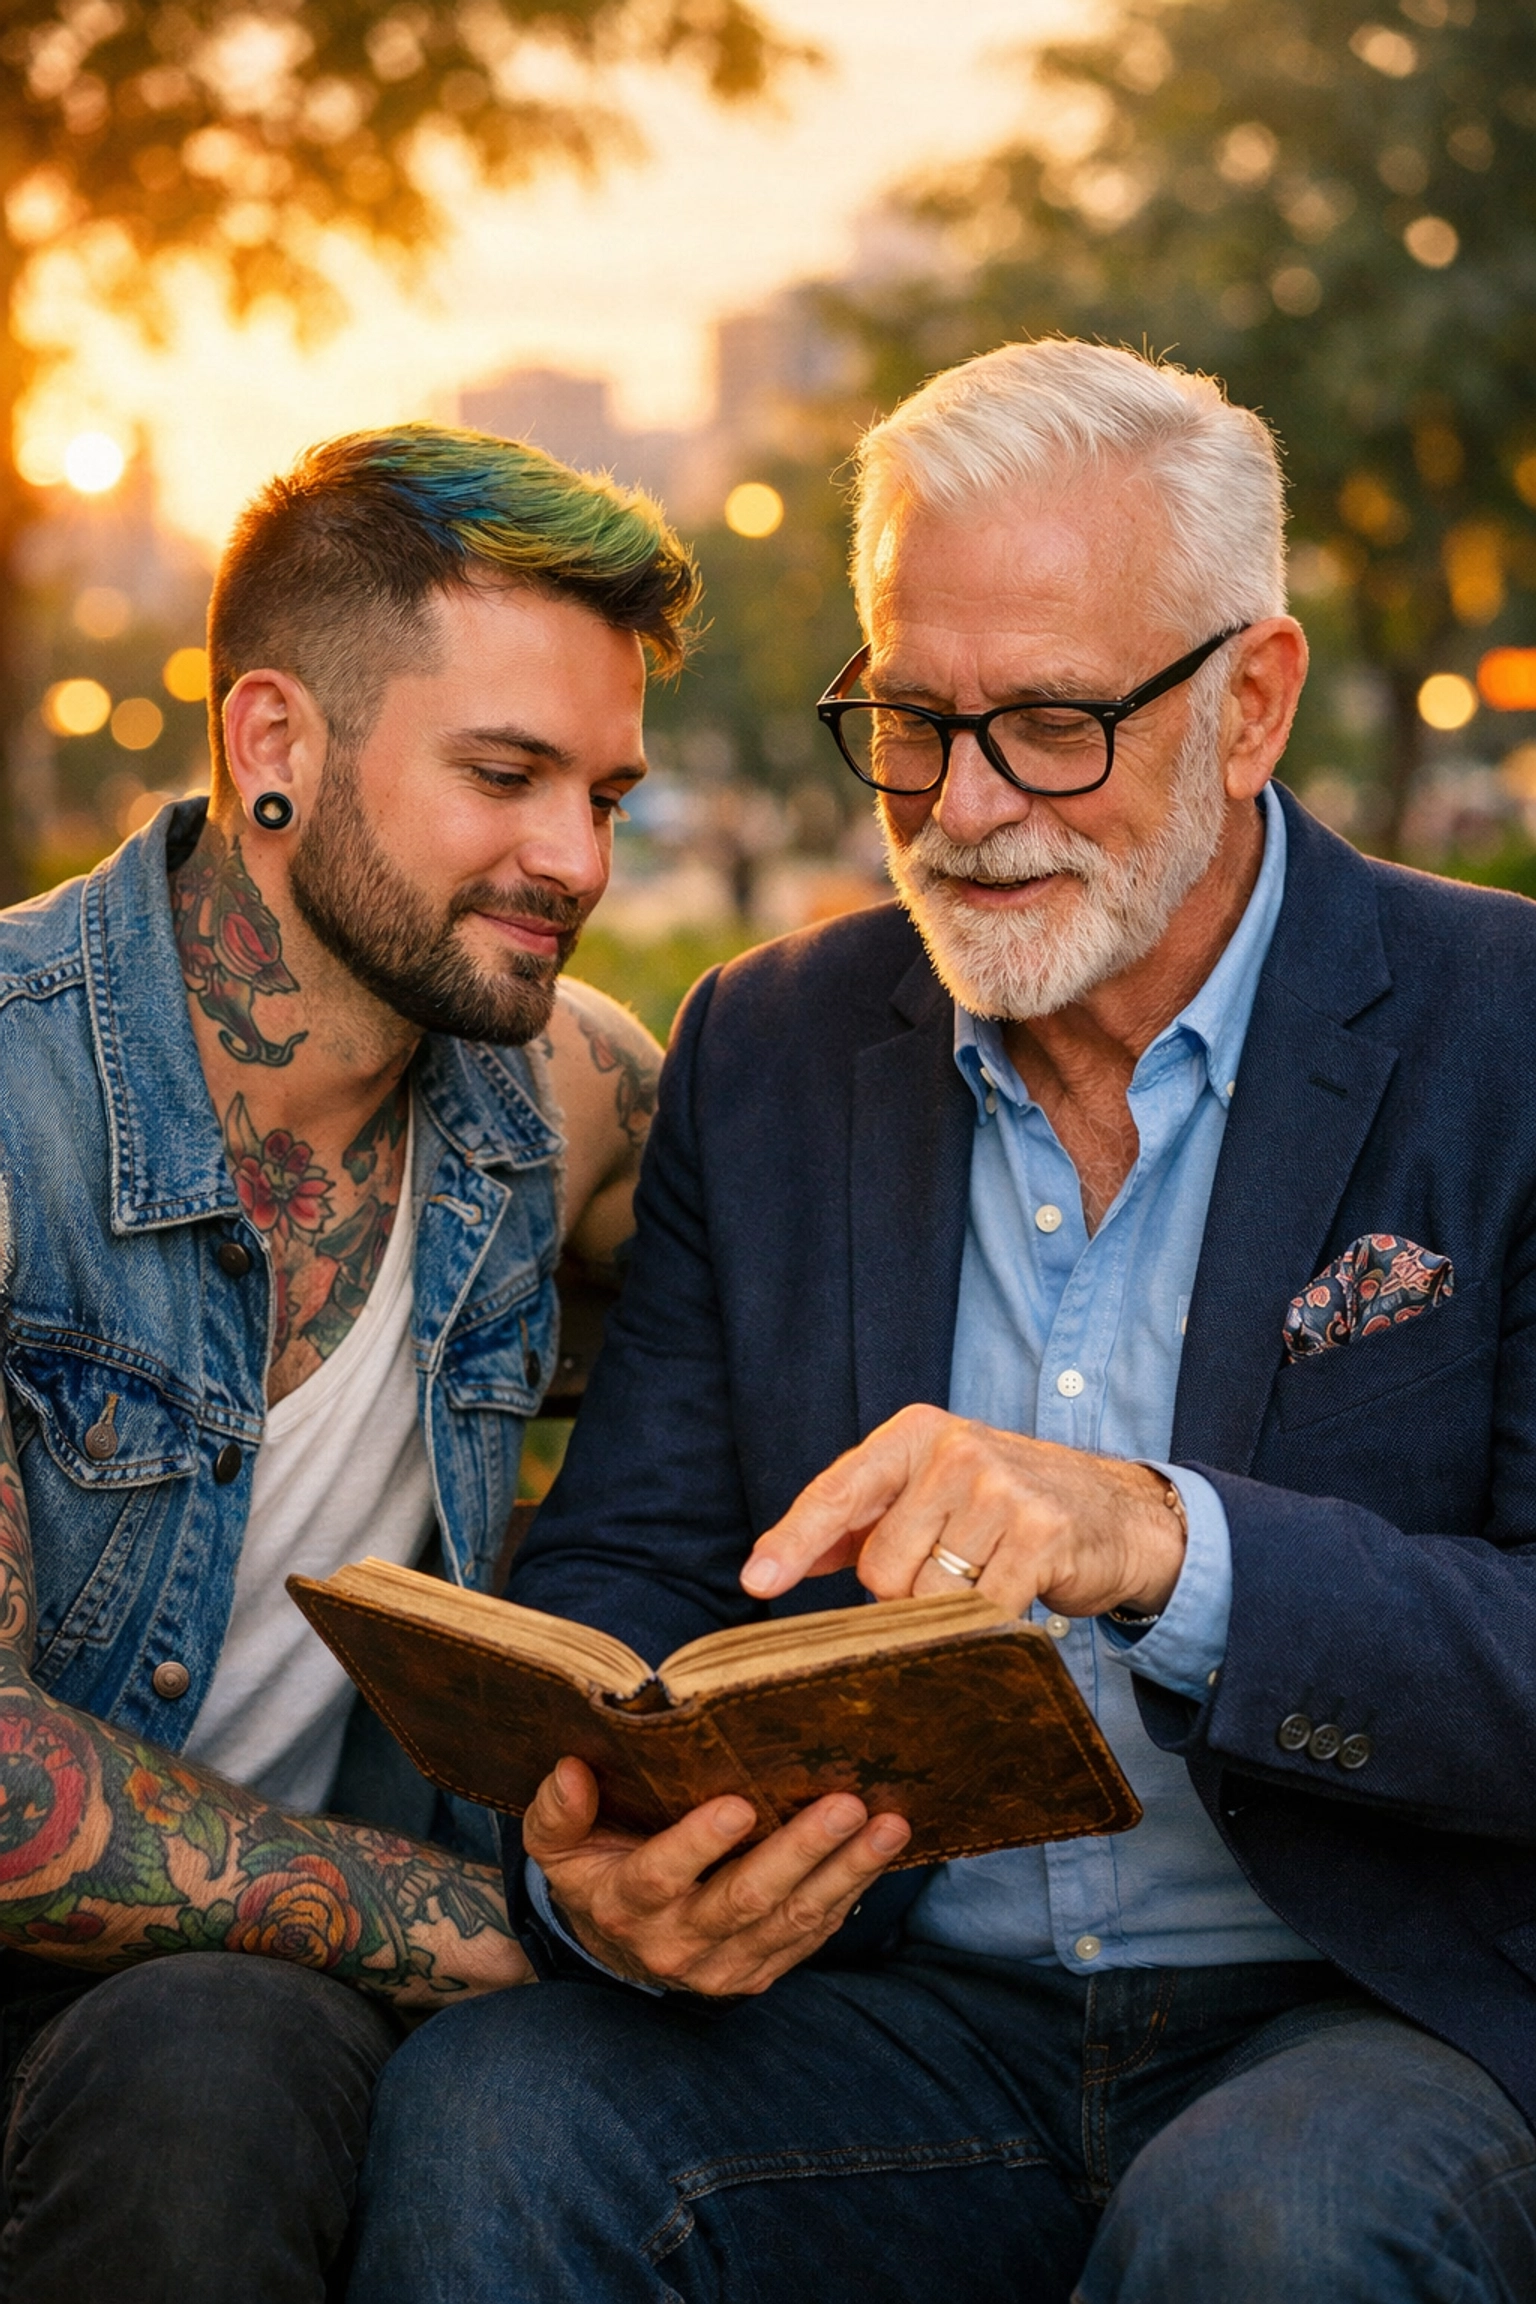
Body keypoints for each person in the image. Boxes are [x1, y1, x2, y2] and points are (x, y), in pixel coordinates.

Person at [350, 342, 1536, 2304]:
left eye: (1054, 722)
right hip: (904, 2014)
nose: (964, 806)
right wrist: (595, 1870)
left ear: (1253, 701)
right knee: (500, 2112)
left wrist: (1164, 1541)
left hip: (1369, 2012)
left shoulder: (1501, 1031)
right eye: (912, 715)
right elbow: (642, 1555)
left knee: (1276, 2223)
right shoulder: (778, 1037)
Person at [0, 421, 693, 2302]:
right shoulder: (12, 1100)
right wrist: (526, 1922)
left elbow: (786, 1309)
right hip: (220, 1986)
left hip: (269, 2019)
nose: (575, 859)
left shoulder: (559, 1098)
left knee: (232, 2058)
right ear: (276, 745)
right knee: (208, 2062)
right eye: (506, 774)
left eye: (609, 794)